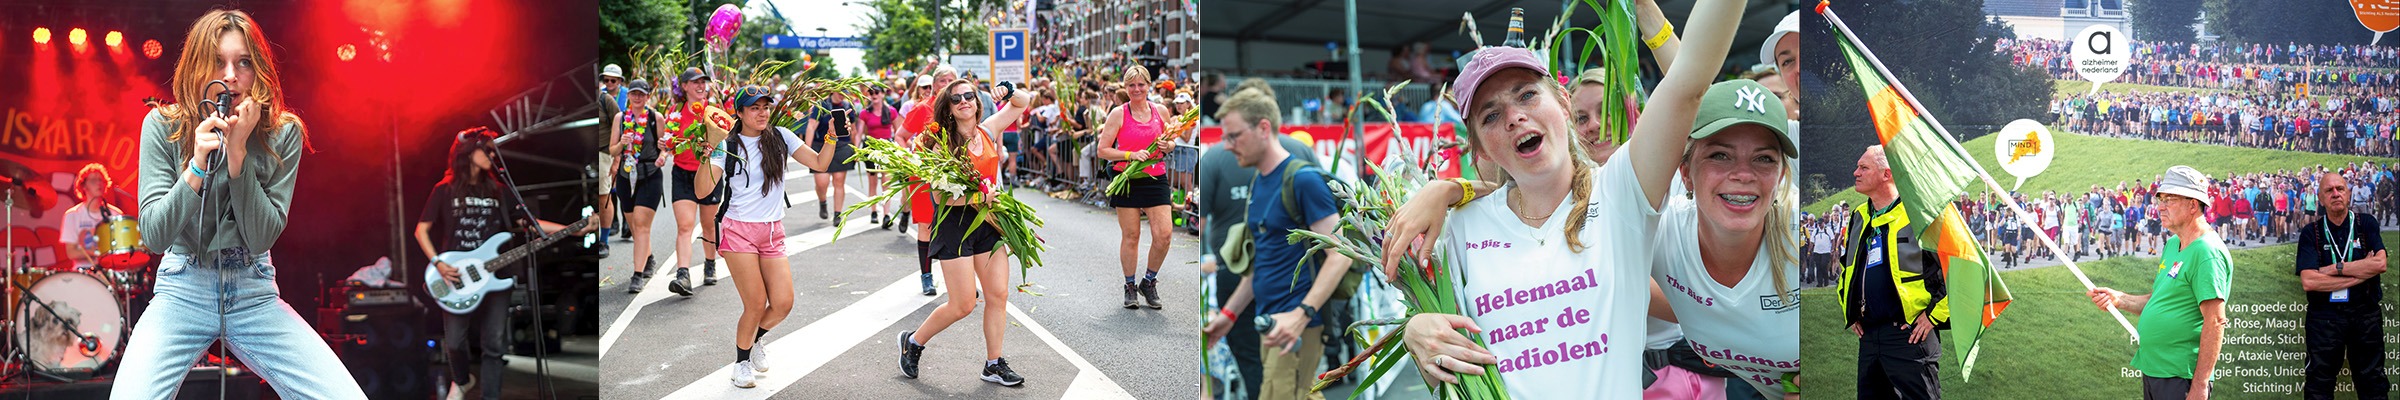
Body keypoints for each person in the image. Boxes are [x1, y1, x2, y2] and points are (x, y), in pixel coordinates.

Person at [1366, 0, 1749, 396]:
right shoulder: (1460, 227)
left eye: (1527, 95)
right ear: (1478, 149)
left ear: (1563, 103)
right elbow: (1444, 362)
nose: (1514, 116)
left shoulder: (1621, 191)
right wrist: (1417, 331)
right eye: (1491, 116)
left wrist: (1645, 10)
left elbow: (1690, 83)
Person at [114, 9, 367, 399]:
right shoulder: (163, 126)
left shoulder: (283, 133)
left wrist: (237, 157)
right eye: (218, 61)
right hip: (184, 287)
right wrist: (196, 165)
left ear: (259, 70)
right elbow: (153, 234)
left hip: (252, 289)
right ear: (197, 67)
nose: (231, 75)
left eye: (244, 62)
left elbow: (262, 235)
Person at [1200, 85, 1352, 400]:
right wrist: (1229, 315)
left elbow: (1342, 254)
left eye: (1234, 136)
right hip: (1272, 323)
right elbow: (1260, 264)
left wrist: (1302, 314)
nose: (1227, 146)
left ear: (1263, 128)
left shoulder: (1303, 180)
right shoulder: (1260, 180)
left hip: (1294, 326)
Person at [417, 127, 583, 399]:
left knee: (494, 343)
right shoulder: (444, 189)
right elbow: (421, 230)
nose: (493, 154)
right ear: (469, 152)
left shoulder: (499, 190)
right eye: (488, 149)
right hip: (455, 275)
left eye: (494, 150)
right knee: (456, 342)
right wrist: (437, 263)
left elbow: (529, 223)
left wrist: (574, 229)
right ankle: (462, 379)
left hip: (496, 273)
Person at [896, 78, 1033, 387]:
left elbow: (1023, 102)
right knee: (963, 304)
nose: (963, 101)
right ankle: (913, 342)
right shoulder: (940, 144)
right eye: (956, 99)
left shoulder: (988, 129)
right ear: (948, 107)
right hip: (954, 224)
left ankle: (993, 364)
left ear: (976, 100)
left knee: (998, 294)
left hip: (989, 223)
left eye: (968, 95)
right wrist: (977, 198)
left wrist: (1009, 90)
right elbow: (938, 196)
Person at [702, 87, 841, 388]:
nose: (762, 112)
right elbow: (702, 191)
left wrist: (831, 136)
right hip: (739, 230)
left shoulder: (781, 137)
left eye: (766, 107)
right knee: (755, 303)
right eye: (754, 108)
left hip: (772, 230)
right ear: (739, 113)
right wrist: (706, 153)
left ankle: (756, 341)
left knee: (782, 303)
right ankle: (740, 363)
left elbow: (819, 163)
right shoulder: (726, 144)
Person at [2088, 166, 2231, 400]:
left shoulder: (2207, 253)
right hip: (2155, 370)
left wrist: (2200, 386)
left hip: (2180, 376)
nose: (2160, 207)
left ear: (2193, 205)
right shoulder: (2174, 244)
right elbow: (2162, 301)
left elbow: (2215, 321)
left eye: (2169, 200)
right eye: (2160, 199)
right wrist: (2120, 299)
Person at [1838, 146, 1946, 400]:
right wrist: (1850, 309)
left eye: (1864, 168)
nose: (1855, 173)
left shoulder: (1920, 214)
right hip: (1869, 336)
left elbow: (1960, 269)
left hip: (1909, 336)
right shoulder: (1859, 216)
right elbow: (1847, 268)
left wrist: (1933, 316)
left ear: (1887, 174)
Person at [2293, 171, 2388, 399]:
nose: (2336, 194)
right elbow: (2309, 280)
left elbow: (2380, 263)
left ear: (2348, 193)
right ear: (2321, 199)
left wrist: (2336, 268)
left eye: (2340, 189)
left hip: (2365, 314)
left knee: (2373, 383)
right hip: (2324, 318)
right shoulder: (2311, 233)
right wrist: (2361, 271)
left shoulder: (2366, 224)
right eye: (2329, 191)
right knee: (2318, 384)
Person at [1097, 65, 1177, 309]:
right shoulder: (1118, 114)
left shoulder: (1160, 111)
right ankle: (1130, 285)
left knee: (1164, 235)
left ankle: (1149, 281)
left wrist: (1169, 146)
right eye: (1131, 85)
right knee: (1131, 236)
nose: (1136, 89)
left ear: (1149, 85)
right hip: (1128, 178)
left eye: (1141, 84)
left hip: (1155, 177)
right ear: (1126, 87)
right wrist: (1131, 155)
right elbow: (1103, 150)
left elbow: (1172, 139)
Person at [665, 67, 725, 293]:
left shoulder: (713, 111)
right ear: (685, 87)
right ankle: (683, 275)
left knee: (709, 226)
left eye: (703, 82)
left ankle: (710, 265)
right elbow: (671, 141)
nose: (701, 86)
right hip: (681, 172)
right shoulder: (675, 111)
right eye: (695, 82)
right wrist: (666, 146)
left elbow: (724, 141)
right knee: (684, 226)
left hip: (709, 173)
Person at [615, 79, 668, 293]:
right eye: (634, 94)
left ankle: (636, 275)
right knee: (635, 227)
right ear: (629, 96)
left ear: (648, 96)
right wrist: (621, 142)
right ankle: (649, 257)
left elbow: (664, 146)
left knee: (641, 224)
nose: (637, 97)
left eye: (641, 94)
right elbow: (612, 150)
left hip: (650, 175)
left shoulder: (656, 118)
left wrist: (662, 156)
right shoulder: (620, 119)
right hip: (626, 176)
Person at [809, 91, 860, 225]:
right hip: (821, 145)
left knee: (839, 181)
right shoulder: (822, 104)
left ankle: (838, 214)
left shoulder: (848, 105)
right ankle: (823, 202)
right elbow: (811, 126)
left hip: (842, 145)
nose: (842, 94)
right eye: (840, 92)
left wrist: (856, 150)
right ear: (833, 91)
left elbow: (853, 130)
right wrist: (807, 150)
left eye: (845, 92)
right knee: (822, 183)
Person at [63, 163, 125, 270]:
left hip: (111, 272)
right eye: (93, 180)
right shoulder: (72, 215)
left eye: (101, 180)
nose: (98, 183)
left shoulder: (116, 214)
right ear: (83, 186)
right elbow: (71, 252)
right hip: (83, 273)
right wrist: (99, 252)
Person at [861, 86, 899, 229]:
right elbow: (859, 132)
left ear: (883, 94)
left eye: (877, 92)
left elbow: (898, 131)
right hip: (870, 149)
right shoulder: (865, 113)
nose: (874, 95)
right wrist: (857, 151)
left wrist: (899, 149)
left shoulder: (891, 111)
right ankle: (873, 212)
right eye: (870, 93)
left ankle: (887, 214)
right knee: (872, 183)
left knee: (886, 182)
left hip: (887, 148)